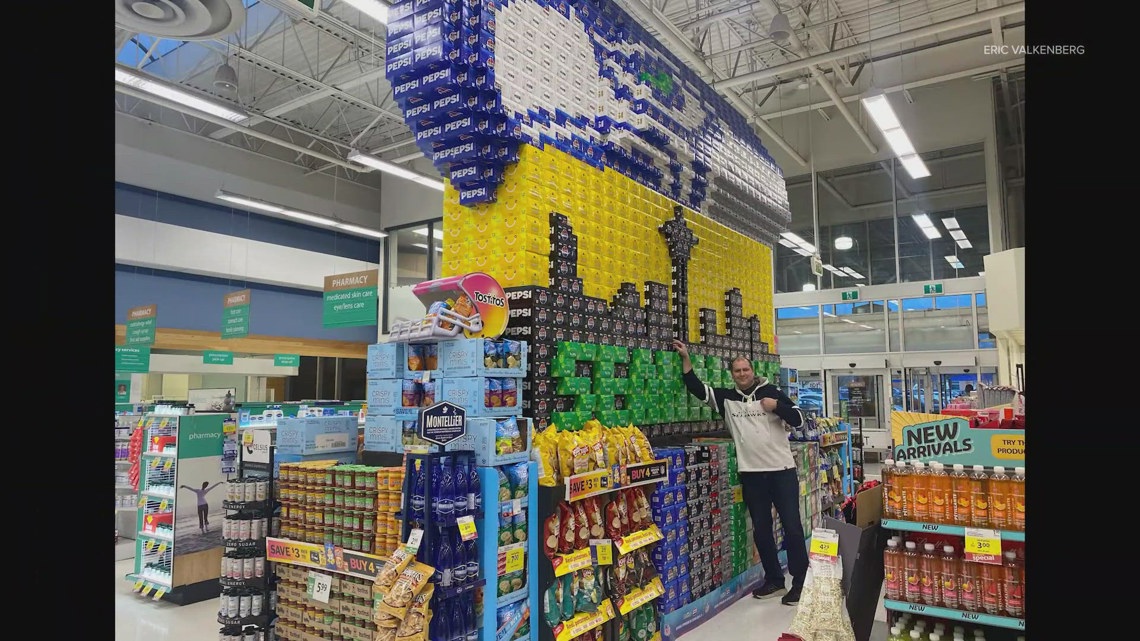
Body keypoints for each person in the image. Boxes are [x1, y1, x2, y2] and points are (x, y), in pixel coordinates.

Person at [673, 339, 809, 605]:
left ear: (752, 370)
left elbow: (800, 419)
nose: (742, 374)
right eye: (737, 371)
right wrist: (686, 358)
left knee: (792, 528)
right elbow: (697, 388)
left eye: (745, 369)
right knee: (761, 530)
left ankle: (801, 583)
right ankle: (774, 580)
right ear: (732, 375)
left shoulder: (771, 392)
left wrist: (777, 406)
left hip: (782, 472)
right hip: (752, 474)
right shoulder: (727, 399)